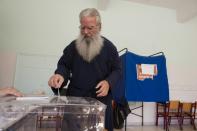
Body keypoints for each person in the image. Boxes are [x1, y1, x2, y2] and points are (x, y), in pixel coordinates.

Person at [48, 8, 121, 131]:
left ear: (99, 26)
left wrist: (108, 82)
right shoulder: (73, 46)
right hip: (76, 100)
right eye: (82, 27)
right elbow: (64, 65)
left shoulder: (109, 47)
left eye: (90, 28)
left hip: (100, 101)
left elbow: (118, 70)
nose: (85, 32)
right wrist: (59, 75)